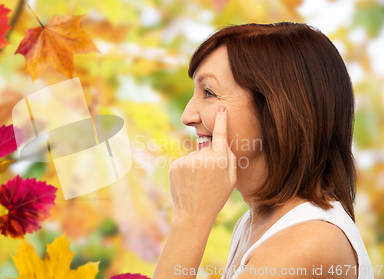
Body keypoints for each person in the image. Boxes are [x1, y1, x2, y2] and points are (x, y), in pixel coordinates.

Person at [152, 22, 373, 279]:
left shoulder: (307, 241)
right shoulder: (253, 223)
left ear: (277, 110)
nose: (187, 116)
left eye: (209, 92)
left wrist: (190, 219)